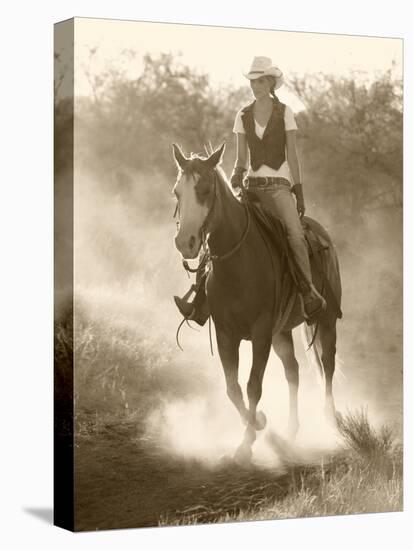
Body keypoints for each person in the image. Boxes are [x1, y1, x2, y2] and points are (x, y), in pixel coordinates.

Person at [174, 56, 326, 324]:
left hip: (279, 190)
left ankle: (307, 292)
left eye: (260, 81)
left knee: (294, 235)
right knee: (217, 229)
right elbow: (241, 159)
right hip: (252, 189)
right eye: (252, 81)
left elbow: (292, 154)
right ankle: (200, 300)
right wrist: (235, 176)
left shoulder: (286, 113)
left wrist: (298, 190)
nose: (255, 86)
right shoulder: (242, 115)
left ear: (271, 82)